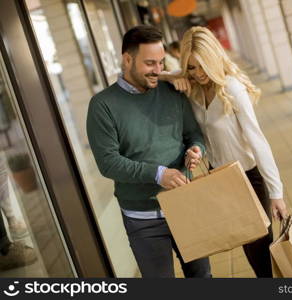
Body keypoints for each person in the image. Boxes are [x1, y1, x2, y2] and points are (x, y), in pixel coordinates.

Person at [86, 25, 211, 278]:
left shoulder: (172, 91)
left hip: (185, 205)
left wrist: (196, 149)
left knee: (203, 279)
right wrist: (158, 174)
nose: (158, 70)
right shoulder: (102, 106)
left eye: (161, 62)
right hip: (143, 219)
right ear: (127, 59)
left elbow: (193, 134)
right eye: (150, 63)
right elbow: (108, 163)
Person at [164, 26, 288, 278]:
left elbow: (258, 141)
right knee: (248, 246)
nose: (197, 74)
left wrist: (277, 193)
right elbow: (164, 73)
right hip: (219, 178)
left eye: (201, 66)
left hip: (249, 177)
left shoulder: (232, 88)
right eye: (190, 67)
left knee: (260, 251)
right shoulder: (194, 88)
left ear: (212, 59)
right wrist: (172, 77)